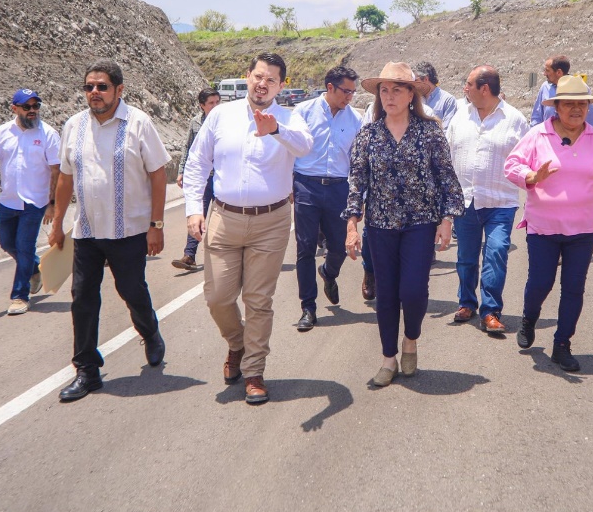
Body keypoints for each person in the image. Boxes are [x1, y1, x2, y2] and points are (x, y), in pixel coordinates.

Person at [183, 53, 314, 406]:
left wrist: (276, 129)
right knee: (218, 297)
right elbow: (197, 163)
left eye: (271, 80)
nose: (262, 84)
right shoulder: (221, 115)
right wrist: (194, 209)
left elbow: (305, 147)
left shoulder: (290, 118)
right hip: (224, 218)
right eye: (258, 76)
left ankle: (254, 371)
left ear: (281, 86)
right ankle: (237, 343)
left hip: (271, 222)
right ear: (247, 77)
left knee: (258, 300)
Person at [49, 62, 170, 402]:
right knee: (82, 298)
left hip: (129, 230)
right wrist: (58, 223)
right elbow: (65, 178)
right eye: (89, 87)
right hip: (87, 230)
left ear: (119, 90)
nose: (94, 93)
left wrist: (156, 226)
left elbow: (158, 174)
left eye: (102, 86)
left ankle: (150, 331)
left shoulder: (138, 123)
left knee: (131, 290)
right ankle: (87, 370)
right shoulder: (74, 125)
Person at [344, 62, 464, 387]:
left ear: (412, 94)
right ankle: (388, 358)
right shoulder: (368, 135)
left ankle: (410, 339)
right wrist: (352, 225)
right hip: (380, 226)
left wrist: (447, 219)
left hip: (420, 223)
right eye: (384, 90)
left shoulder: (430, 132)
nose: (389, 96)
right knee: (386, 295)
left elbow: (446, 178)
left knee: (412, 291)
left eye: (397, 89)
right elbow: (356, 183)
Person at [505, 75, 593, 372]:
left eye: (582, 104)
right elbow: (512, 165)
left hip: (583, 229)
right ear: (557, 107)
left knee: (574, 287)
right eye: (569, 104)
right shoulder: (538, 135)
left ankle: (562, 344)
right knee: (541, 283)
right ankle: (529, 318)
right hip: (543, 227)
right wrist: (532, 176)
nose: (577, 109)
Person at [446, 65, 530, 332]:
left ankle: (491, 310)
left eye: (468, 84)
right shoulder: (460, 116)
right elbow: (447, 154)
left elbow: (528, 159)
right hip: (465, 201)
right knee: (466, 257)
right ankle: (466, 303)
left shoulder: (515, 120)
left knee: (496, 253)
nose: (464, 88)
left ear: (484, 89)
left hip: (500, 203)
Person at [0, 88, 60, 315]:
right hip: (8, 201)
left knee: (24, 246)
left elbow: (56, 170)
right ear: (15, 108)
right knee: (6, 243)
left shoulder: (48, 134)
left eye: (36, 106)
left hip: (35, 202)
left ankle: (20, 296)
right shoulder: (2, 132)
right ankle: (34, 268)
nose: (33, 110)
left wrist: (52, 203)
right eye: (27, 107)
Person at [291, 66, 362, 331]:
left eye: (353, 92)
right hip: (306, 185)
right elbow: (289, 149)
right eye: (346, 91)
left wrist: (359, 195)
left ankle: (329, 273)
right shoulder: (303, 112)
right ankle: (308, 308)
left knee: (339, 248)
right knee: (305, 248)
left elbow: (358, 161)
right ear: (330, 87)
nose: (350, 97)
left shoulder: (356, 119)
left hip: (339, 189)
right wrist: (289, 184)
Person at [173, 88, 221, 271]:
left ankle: (226, 255)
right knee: (197, 214)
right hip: (204, 179)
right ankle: (189, 256)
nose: (215, 106)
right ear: (202, 106)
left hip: (222, 178)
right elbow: (188, 148)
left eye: (217, 102)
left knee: (225, 217)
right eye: (211, 103)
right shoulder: (195, 123)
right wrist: (182, 171)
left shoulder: (226, 121)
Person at [530, 55, 593, 126]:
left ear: (558, 72)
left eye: (547, 70)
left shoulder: (581, 88)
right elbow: (537, 117)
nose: (544, 74)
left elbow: (590, 120)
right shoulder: (545, 87)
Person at [412, 61, 459, 126]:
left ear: (425, 79)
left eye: (415, 81)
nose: (413, 84)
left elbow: (447, 129)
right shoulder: (414, 100)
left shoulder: (448, 100)